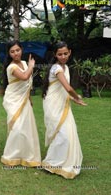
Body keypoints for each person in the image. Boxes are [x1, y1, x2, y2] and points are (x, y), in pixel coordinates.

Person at [42, 41, 86, 179]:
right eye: (59, 54)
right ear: (55, 55)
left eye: (65, 53)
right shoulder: (57, 69)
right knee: (62, 134)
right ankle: (52, 163)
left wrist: (72, 99)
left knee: (66, 133)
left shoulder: (65, 67)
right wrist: (77, 97)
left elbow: (63, 90)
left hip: (63, 103)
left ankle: (60, 162)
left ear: (70, 52)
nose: (63, 56)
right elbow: (68, 88)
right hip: (53, 105)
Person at [1, 40, 41, 167]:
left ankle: (26, 155)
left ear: (21, 50)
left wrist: (29, 99)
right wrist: (31, 66)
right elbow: (24, 76)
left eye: (17, 50)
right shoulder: (11, 67)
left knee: (26, 127)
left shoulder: (24, 63)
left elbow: (27, 83)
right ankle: (11, 156)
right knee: (17, 128)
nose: (16, 53)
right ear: (9, 53)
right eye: (12, 51)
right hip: (13, 99)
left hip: (24, 99)